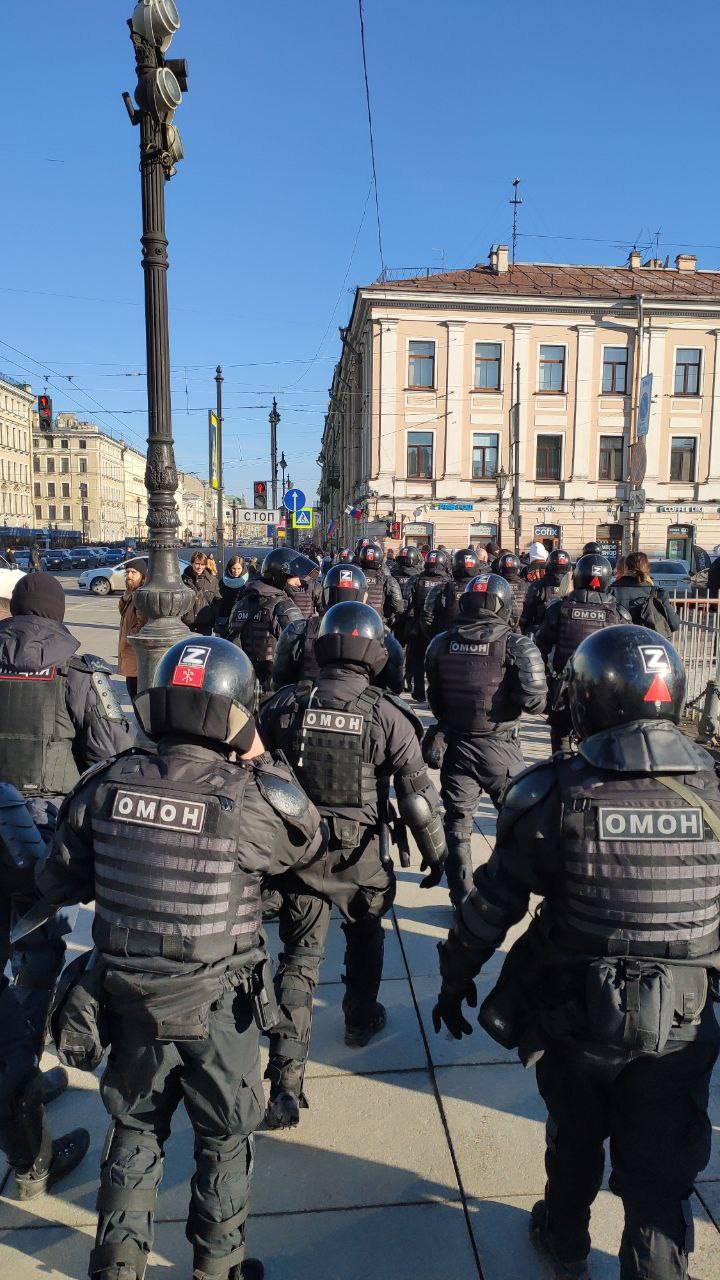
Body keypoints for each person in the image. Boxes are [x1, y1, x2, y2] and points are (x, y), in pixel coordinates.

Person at [31, 636, 324, 1280]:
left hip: (129, 998)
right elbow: (308, 838)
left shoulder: (105, 785)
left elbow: (57, 883)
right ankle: (216, 1270)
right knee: (223, 1140)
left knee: (134, 1131)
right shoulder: (247, 797)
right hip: (219, 1007)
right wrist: (259, 754)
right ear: (234, 710)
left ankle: (115, 1267)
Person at [433, 625, 720, 1280]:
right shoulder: (714, 791)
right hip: (681, 1024)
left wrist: (455, 979)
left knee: (575, 1143)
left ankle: (564, 1246)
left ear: (588, 700)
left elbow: (492, 905)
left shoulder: (554, 793)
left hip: (576, 1018)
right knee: (657, 1187)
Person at [259, 601, 446, 1126]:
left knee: (299, 958)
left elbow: (252, 778)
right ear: (375, 651)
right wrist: (437, 858)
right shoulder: (386, 715)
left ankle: (285, 1081)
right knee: (366, 935)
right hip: (358, 855)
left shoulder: (284, 704)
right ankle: (359, 1020)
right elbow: (417, 800)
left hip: (297, 851)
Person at [0, 572, 135, 1201]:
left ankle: (20, 1064)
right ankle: (22, 1094)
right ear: (55, 615)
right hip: (41, 837)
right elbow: (113, 754)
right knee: (36, 957)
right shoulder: (79, 671)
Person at [425, 573, 547, 905]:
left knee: (457, 826)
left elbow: (433, 698)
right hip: (501, 748)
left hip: (457, 746)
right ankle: (502, 890)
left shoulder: (441, 643)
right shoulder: (517, 644)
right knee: (515, 825)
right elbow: (536, 703)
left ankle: (460, 894)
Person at [536, 553, 628, 753]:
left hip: (565, 687)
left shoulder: (559, 609)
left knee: (560, 735)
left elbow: (540, 646)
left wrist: (545, 681)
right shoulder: (619, 614)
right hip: (603, 689)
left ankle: (561, 773)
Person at [272, 562, 404, 694]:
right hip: (365, 708)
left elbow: (279, 682)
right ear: (364, 596)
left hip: (310, 704)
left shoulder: (298, 629)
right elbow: (395, 686)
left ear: (325, 594)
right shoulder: (381, 633)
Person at [228, 548, 315, 694]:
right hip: (272, 687)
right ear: (282, 575)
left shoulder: (242, 602)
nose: (300, 583)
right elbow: (303, 649)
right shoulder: (284, 607)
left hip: (240, 683)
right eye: (295, 578)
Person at [405, 548, 452, 700]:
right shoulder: (448, 582)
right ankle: (437, 693)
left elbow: (407, 603)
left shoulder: (416, 579)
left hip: (419, 627)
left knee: (418, 660)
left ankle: (419, 693)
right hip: (441, 629)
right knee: (440, 663)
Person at [610, 550, 680, 637]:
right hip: (648, 645)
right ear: (647, 569)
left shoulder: (611, 591)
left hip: (618, 643)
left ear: (626, 568)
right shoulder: (657, 594)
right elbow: (674, 625)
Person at [422, 547, 481, 639]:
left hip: (449, 641)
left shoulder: (442, 588)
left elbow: (427, 617)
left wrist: (437, 639)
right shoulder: (486, 588)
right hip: (479, 642)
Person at [520, 548, 571, 635]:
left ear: (549, 566)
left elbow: (526, 616)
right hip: (567, 634)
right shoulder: (575, 586)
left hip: (541, 633)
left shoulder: (537, 586)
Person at [117, 558, 147, 704]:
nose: (129, 576)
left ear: (143, 576)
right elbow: (122, 612)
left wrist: (130, 637)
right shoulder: (131, 594)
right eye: (127, 572)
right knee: (134, 696)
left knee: (137, 698)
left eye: (133, 572)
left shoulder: (141, 595)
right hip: (130, 655)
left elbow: (143, 624)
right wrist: (126, 595)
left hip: (137, 656)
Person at [354, 542, 403, 623]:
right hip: (378, 623)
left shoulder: (355, 576)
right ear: (380, 558)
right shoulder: (387, 579)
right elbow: (398, 606)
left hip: (357, 620)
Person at [182, 551, 220, 636]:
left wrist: (215, 619)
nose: (200, 567)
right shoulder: (183, 580)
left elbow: (217, 601)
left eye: (202, 564)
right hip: (187, 625)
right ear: (192, 563)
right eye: (197, 564)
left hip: (205, 626)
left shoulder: (212, 581)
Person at [213, 554, 248, 638]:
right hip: (225, 619)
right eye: (234, 568)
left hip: (242, 621)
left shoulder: (247, 582)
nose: (236, 571)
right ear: (229, 568)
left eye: (239, 569)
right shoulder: (223, 581)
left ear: (243, 569)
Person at [496, 551, 529, 629]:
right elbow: (528, 604)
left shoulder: (497, 582)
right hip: (519, 624)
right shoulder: (524, 584)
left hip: (500, 623)